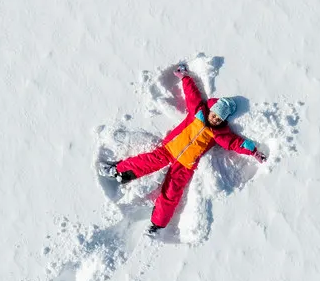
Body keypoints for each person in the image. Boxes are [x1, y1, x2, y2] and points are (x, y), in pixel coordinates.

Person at [104, 63, 267, 235]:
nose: (215, 120)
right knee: (145, 161)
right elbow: (192, 95)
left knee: (171, 192)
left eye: (219, 119)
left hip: (186, 164)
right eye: (214, 115)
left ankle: (158, 224)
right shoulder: (198, 112)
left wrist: (254, 151)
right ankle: (119, 170)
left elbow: (236, 143)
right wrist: (185, 77)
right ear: (210, 110)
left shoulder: (219, 134)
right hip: (169, 149)